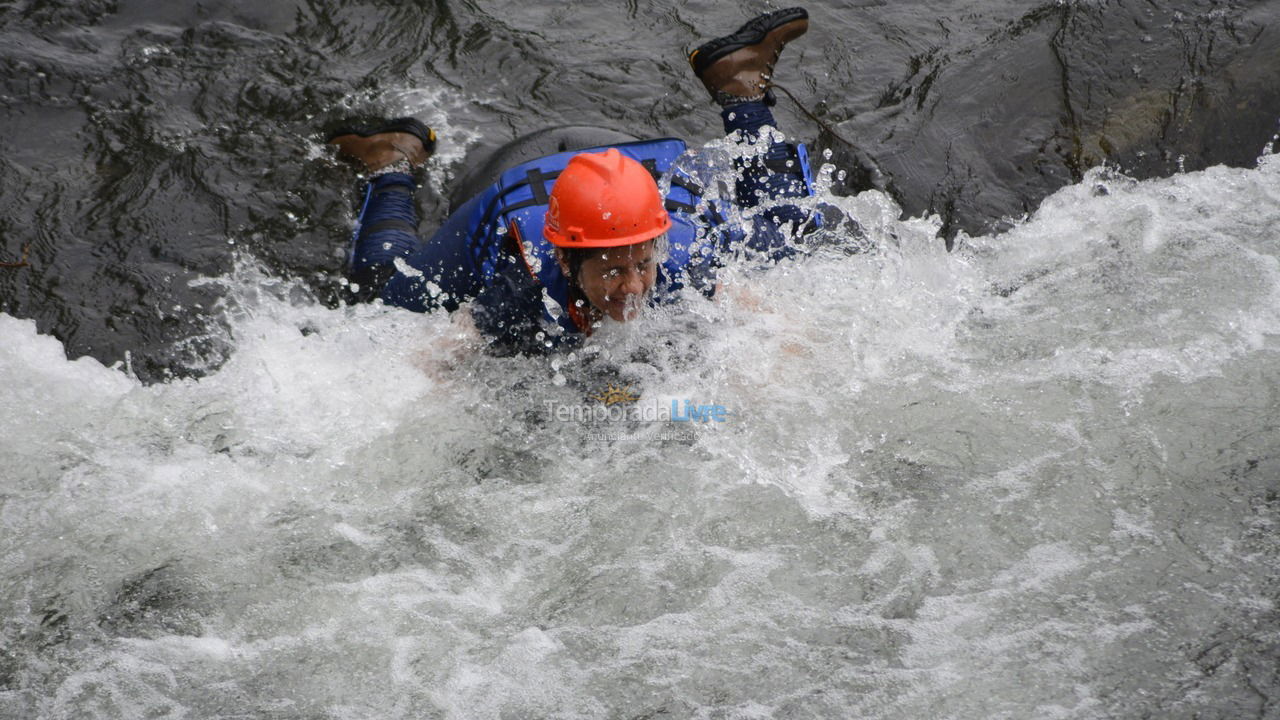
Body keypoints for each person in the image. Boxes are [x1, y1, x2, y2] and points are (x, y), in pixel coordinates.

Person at [328, 7, 816, 354]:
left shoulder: (690, 264)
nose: (632, 288)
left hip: (638, 170)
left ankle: (740, 91)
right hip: (521, 182)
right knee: (385, 306)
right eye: (611, 272)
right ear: (564, 260)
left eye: (642, 265)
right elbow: (438, 356)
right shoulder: (524, 275)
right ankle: (391, 159)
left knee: (799, 248)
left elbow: (781, 336)